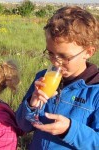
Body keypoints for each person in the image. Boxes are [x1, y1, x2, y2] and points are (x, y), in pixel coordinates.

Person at [16, 6, 99, 150]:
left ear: (88, 52)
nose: (55, 62)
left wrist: (69, 129)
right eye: (51, 53)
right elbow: (22, 125)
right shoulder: (43, 77)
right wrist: (31, 105)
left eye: (64, 57)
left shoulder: (95, 91)